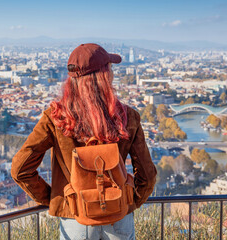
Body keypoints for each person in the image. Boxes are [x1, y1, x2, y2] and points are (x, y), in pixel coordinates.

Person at [11, 43, 157, 240]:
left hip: (76, 217)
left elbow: (20, 169)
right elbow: (147, 174)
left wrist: (59, 200)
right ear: (105, 76)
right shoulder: (127, 116)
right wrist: (130, 200)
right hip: (118, 211)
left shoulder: (55, 118)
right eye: (110, 69)